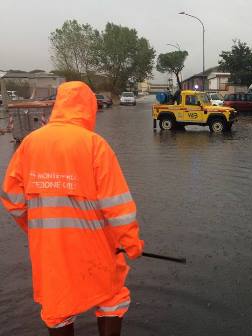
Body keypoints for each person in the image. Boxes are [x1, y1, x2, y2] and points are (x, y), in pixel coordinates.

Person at [0, 81, 144, 336]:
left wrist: (36, 229)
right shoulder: (94, 145)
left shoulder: (30, 144)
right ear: (88, 108)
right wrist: (131, 242)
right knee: (111, 297)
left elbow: (12, 198)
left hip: (51, 250)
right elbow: (117, 205)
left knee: (58, 305)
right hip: (97, 246)